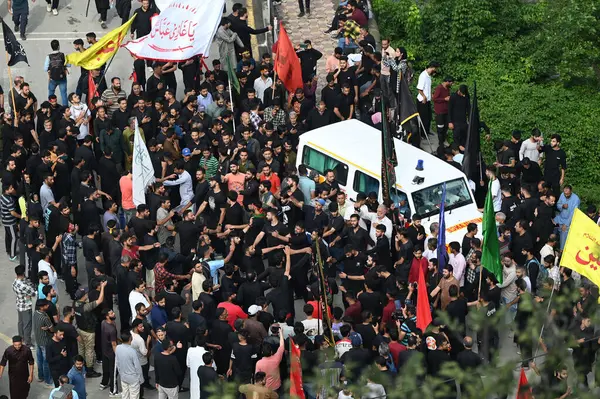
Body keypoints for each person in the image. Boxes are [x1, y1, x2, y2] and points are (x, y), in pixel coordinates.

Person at [115, 331, 144, 399]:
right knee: (134, 396)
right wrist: (141, 379)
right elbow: (137, 367)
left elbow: (117, 363)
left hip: (123, 376)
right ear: (130, 338)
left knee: (125, 394)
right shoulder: (132, 351)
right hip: (133, 378)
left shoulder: (118, 348)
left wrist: (120, 373)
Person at [12, 265, 36, 347]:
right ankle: (28, 343)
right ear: (23, 273)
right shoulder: (23, 285)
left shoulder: (15, 282)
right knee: (27, 325)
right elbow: (33, 293)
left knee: (20, 323)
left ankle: (21, 338)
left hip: (19, 304)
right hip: (26, 306)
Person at [99, 309, 118, 396]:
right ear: (107, 316)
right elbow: (114, 344)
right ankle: (113, 391)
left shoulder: (103, 323)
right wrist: (118, 355)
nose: (114, 314)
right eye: (111, 313)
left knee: (105, 368)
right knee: (113, 371)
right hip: (111, 353)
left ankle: (104, 383)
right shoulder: (112, 330)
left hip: (104, 350)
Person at [45, 40, 68, 106]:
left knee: (51, 93)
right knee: (63, 94)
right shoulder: (62, 55)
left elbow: (45, 68)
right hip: (62, 78)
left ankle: (50, 107)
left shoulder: (48, 56)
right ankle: (65, 109)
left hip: (52, 79)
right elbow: (68, 64)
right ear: (58, 46)